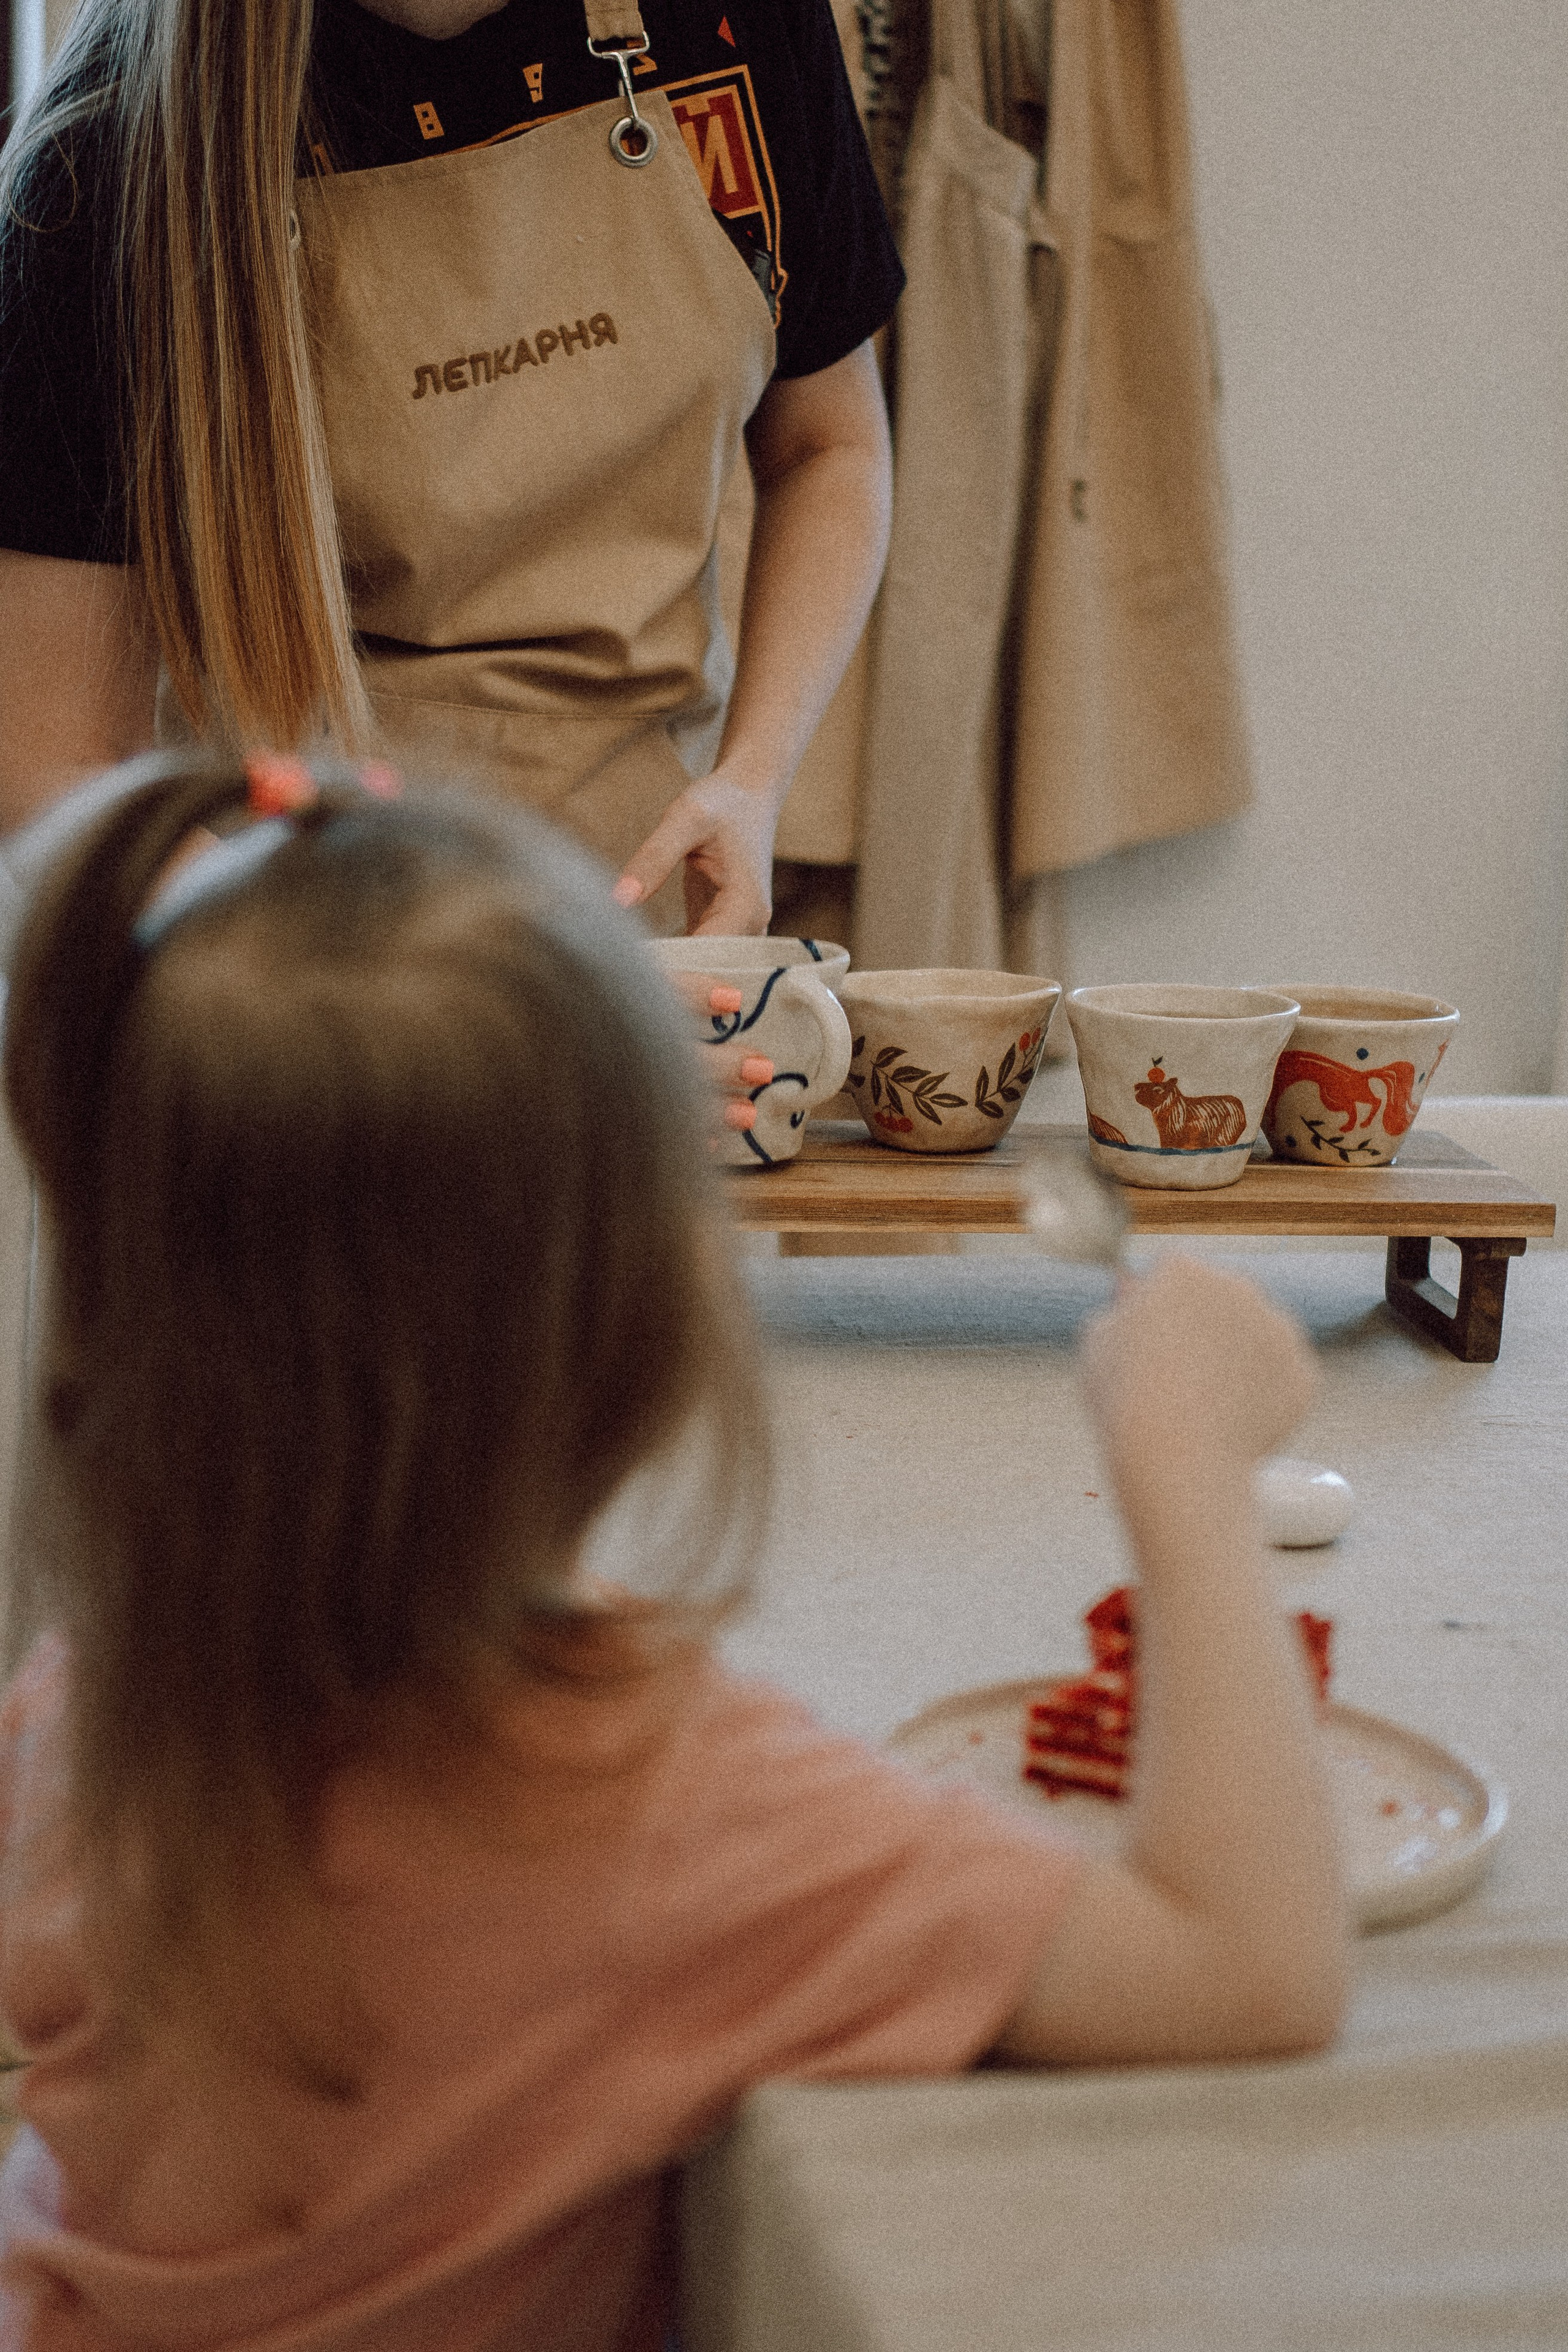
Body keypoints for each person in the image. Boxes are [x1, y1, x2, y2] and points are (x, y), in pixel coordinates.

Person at [0, 755, 1346, 2350]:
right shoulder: (645, 1802)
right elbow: (1246, 1968)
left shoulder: (84, 1698)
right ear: (644, 1316)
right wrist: (1184, 1469)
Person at [0, 0, 900, 934]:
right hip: (279, 937)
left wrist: (753, 778)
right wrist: (311, 974)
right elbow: (48, 769)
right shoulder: (103, 157)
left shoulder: (735, 24)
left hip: (632, 904)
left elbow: (825, 446)